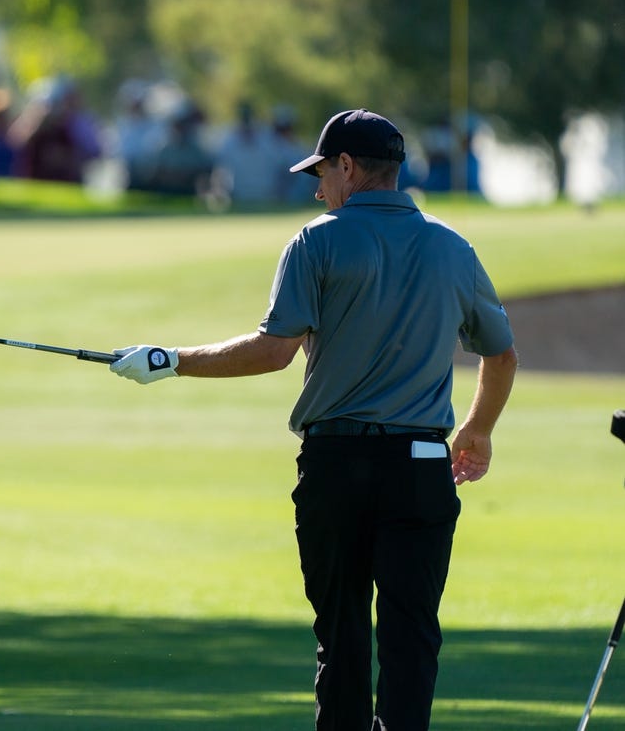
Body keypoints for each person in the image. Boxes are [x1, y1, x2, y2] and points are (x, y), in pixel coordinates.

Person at [109, 109, 519, 731]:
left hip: (337, 468)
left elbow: (275, 351)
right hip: (422, 468)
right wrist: (478, 428)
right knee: (412, 637)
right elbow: (500, 352)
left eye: (323, 172)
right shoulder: (453, 247)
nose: (317, 186)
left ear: (349, 167)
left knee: (343, 635)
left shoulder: (318, 240)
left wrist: (171, 362)